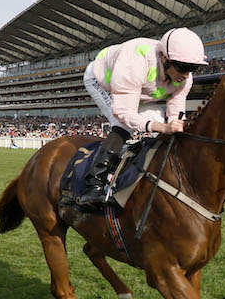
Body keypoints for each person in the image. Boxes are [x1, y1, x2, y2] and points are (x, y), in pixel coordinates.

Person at [76, 27, 208, 208]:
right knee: (123, 125)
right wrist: (160, 128)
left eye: (193, 68)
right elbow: (124, 112)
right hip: (102, 81)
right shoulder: (135, 62)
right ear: (165, 59)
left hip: (139, 90)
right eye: (183, 68)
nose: (186, 74)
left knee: (161, 122)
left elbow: (175, 110)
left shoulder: (185, 77)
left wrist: (171, 125)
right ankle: (94, 186)